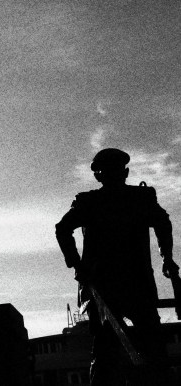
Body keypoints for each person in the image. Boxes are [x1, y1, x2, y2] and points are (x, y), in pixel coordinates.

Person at [55, 148, 178, 385]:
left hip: (117, 285)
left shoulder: (95, 202)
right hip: (117, 287)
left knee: (111, 353)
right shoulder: (137, 199)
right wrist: (167, 258)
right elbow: (163, 223)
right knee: (125, 350)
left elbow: (62, 229)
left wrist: (77, 265)